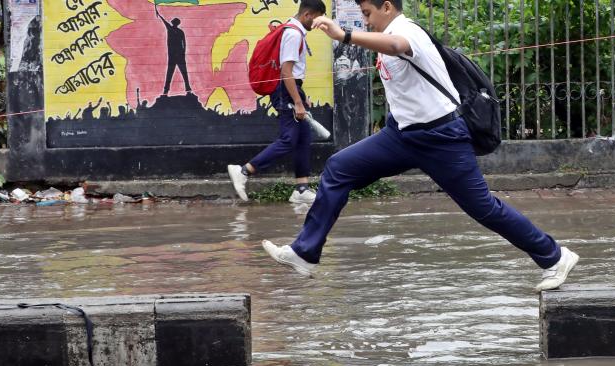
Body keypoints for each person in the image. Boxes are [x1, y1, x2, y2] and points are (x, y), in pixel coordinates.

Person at [261, 0, 579, 292]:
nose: (366, 22)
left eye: (368, 14)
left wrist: (344, 35)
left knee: (483, 208)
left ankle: (555, 257)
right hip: (401, 135)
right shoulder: (386, 32)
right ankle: (305, 252)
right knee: (339, 168)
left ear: (387, 7)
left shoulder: (405, 31)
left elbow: (397, 45)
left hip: (440, 137)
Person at [227, 0, 327, 205]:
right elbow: (285, 72)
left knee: (303, 138)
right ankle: (244, 171)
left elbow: (293, 73)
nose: (319, 23)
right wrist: (297, 102)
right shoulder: (293, 33)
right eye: (318, 18)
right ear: (308, 14)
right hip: (284, 90)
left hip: (291, 88)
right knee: (289, 139)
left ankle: (301, 189)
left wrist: (301, 94)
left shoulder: (293, 30)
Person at [156, 4, 192, 96]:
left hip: (176, 55)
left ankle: (184, 89)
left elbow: (184, 43)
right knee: (176, 72)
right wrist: (159, 14)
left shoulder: (174, 30)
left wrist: (183, 53)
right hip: (176, 55)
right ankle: (170, 90)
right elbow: (185, 44)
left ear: (175, 23)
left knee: (174, 72)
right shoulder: (175, 30)